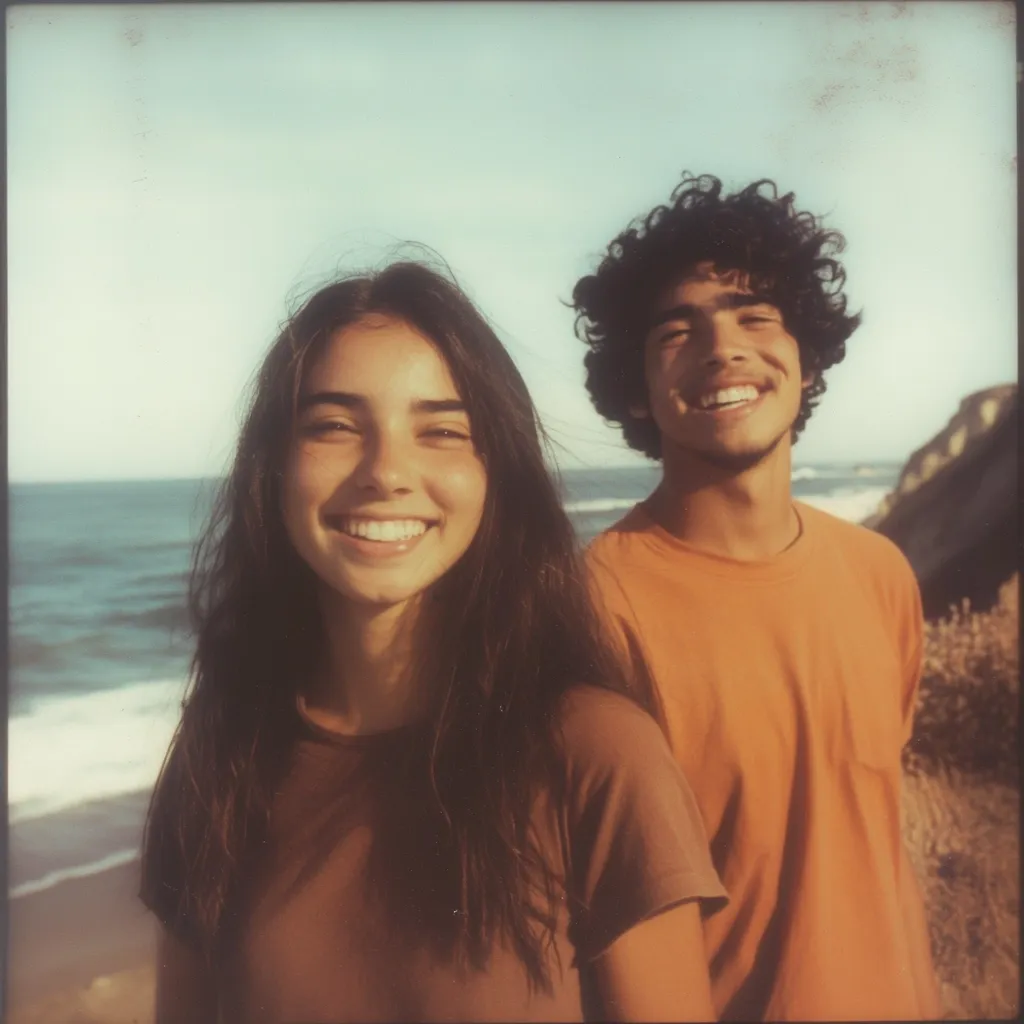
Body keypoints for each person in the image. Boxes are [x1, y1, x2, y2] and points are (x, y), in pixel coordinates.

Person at [140, 257, 727, 1023]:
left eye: (441, 431)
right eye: (335, 426)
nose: (387, 471)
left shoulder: (595, 754)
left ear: (495, 474)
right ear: (273, 468)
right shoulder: (220, 755)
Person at [572, 175, 942, 1021]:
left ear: (805, 360)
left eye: (754, 315)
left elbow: (872, 844)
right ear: (635, 390)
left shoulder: (881, 575)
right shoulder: (591, 611)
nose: (723, 347)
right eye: (677, 328)